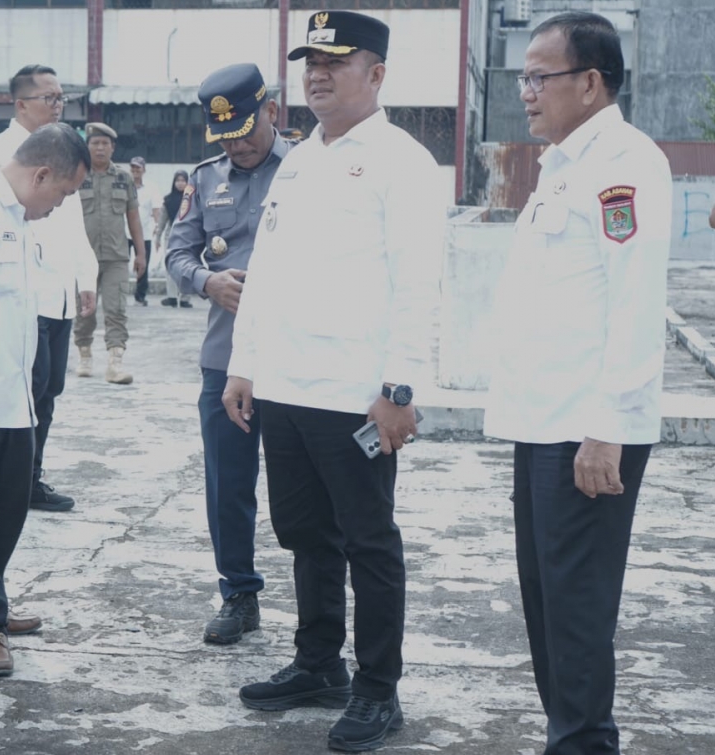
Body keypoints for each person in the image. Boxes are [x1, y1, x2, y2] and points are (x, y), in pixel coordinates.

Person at [222, 12, 444, 752]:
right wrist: (244, 363)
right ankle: (319, 663)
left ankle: (378, 689)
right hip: (286, 387)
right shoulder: (298, 160)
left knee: (368, 542)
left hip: (354, 394)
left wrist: (400, 389)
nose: (316, 74)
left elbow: (418, 284)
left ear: (375, 74)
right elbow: (267, 269)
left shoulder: (402, 161)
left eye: (335, 61)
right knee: (305, 536)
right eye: (310, 62)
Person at [484, 13, 672, 755]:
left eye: (539, 76)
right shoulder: (562, 165)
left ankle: (586, 743)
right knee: (546, 603)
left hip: (588, 430)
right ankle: (568, 736)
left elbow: (635, 304)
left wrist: (609, 427)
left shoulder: (626, 163)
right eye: (523, 78)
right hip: (543, 421)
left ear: (590, 83)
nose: (526, 92)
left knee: (577, 607)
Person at [0, 123, 90, 677]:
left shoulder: (23, 220)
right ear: (42, 175)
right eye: (63, 193)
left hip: (16, 397)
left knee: (9, 508)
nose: (60, 206)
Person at [167, 61, 297, 645]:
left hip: (296, 358)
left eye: (245, 131)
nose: (236, 145)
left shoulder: (306, 169)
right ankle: (239, 595)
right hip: (225, 357)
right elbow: (177, 253)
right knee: (228, 484)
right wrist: (206, 281)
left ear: (271, 110)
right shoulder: (204, 179)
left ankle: (321, 610)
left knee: (304, 490)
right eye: (225, 137)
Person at [0, 63, 97, 513]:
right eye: (48, 98)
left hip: (59, 293)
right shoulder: (2, 156)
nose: (57, 106)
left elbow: (73, 223)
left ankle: (30, 476)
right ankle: (4, 477)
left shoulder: (66, 150)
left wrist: (85, 276)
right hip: (24, 295)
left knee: (48, 390)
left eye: (60, 98)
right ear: (20, 104)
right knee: (22, 390)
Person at [74, 122, 147, 384]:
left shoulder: (124, 179)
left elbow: (134, 218)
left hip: (116, 256)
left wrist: (141, 254)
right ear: (87, 146)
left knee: (116, 310)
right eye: (95, 143)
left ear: (113, 148)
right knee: (84, 312)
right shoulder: (76, 175)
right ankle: (84, 355)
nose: (100, 148)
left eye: (105, 143)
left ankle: (115, 364)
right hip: (83, 258)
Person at [155, 169, 192, 309]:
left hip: (188, 235)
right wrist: (157, 238)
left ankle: (185, 298)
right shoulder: (168, 200)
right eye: (178, 180)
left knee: (187, 266)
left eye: (183, 180)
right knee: (170, 265)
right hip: (170, 235)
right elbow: (162, 221)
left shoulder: (192, 199)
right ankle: (171, 297)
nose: (180, 183)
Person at [128, 156, 161, 306]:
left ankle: (140, 296)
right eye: (133, 167)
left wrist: (157, 227)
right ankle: (119, 294)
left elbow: (156, 209)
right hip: (123, 231)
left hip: (144, 232)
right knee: (119, 263)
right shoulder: (125, 185)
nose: (135, 170)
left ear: (144, 170)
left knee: (143, 264)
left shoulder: (151, 188)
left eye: (138, 168)